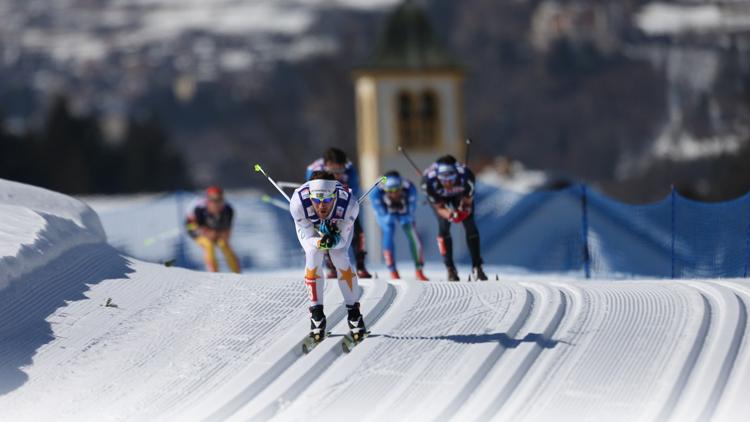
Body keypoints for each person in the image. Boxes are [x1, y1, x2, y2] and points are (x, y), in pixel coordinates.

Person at [290, 171, 367, 343]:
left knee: (339, 255)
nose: (321, 206)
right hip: (311, 230)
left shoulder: (350, 204)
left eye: (327, 200)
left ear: (335, 196)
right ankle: (317, 314)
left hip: (337, 228)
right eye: (316, 200)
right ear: (310, 196)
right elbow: (309, 240)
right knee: (313, 254)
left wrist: (335, 238)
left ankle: (354, 314)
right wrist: (320, 242)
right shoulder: (298, 204)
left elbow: (341, 243)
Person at [306, 147, 372, 278]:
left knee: (357, 231)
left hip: (342, 202)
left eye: (340, 170)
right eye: (333, 171)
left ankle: (360, 266)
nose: (337, 174)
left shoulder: (350, 170)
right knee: (323, 232)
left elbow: (354, 193)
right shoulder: (313, 169)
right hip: (323, 205)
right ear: (326, 166)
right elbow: (310, 193)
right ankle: (330, 266)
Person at [422, 155, 487, 281]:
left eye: (451, 181)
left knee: (470, 224)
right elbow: (440, 208)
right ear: (438, 178)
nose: (448, 184)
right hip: (440, 198)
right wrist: (451, 215)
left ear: (456, 175)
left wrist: (463, 211)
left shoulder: (467, 177)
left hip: (460, 195)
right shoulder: (428, 182)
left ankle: (477, 266)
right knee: (444, 226)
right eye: (444, 181)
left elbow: (468, 204)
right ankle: (450, 268)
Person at [370, 170, 428, 281]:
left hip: (404, 211)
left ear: (402, 187)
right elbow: (380, 212)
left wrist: (406, 215)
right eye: (390, 191)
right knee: (388, 230)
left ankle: (419, 270)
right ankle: (392, 271)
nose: (394, 194)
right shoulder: (376, 191)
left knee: (411, 232)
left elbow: (411, 210)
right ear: (384, 189)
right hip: (385, 211)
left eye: (397, 190)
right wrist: (388, 215)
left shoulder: (410, 188)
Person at [185, 186, 241, 273]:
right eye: (212, 200)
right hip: (196, 230)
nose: (215, 203)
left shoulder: (228, 210)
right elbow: (193, 227)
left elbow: (227, 232)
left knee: (223, 244)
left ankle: (237, 273)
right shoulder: (199, 209)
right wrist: (207, 233)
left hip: (216, 231)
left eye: (218, 200)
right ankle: (213, 274)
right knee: (208, 245)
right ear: (207, 200)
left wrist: (219, 234)